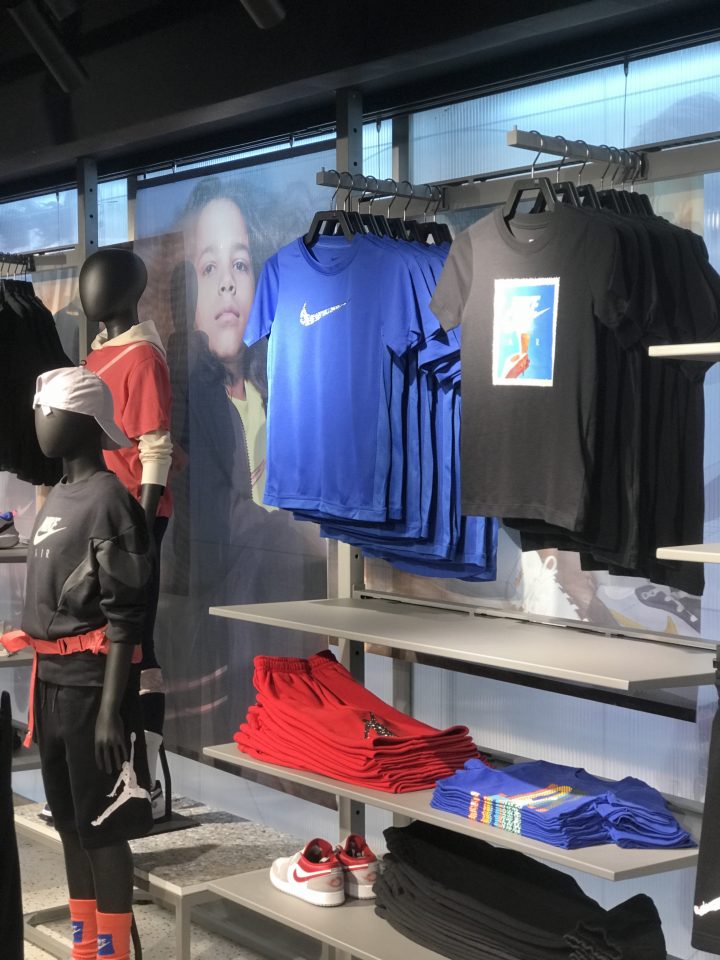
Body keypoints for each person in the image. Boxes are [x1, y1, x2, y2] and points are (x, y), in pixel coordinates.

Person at [160, 176, 326, 749]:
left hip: (297, 616)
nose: (228, 282)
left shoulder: (279, 384)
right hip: (226, 640)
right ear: (186, 294)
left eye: (240, 263)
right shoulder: (186, 396)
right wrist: (305, 537)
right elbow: (218, 522)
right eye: (209, 268)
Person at [1, 366, 153, 960]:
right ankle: (85, 946)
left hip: (93, 690)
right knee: (67, 822)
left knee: (104, 826)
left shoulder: (111, 501)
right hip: (51, 686)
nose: (38, 420)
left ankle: (113, 951)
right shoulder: (59, 495)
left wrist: (114, 707)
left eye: (48, 410)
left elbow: (126, 617)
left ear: (86, 421)